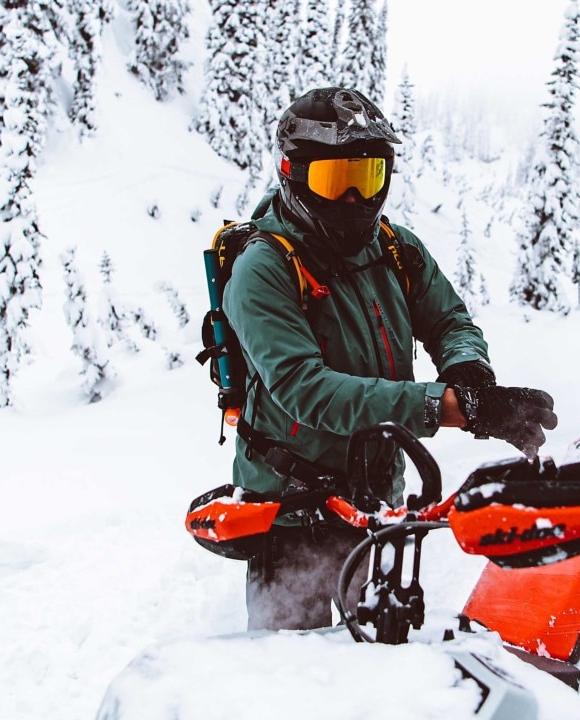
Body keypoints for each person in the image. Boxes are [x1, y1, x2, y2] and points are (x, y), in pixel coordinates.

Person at [221, 87, 558, 632]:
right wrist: (451, 407)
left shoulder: (396, 249)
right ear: (293, 173)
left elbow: (450, 320)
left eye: (369, 176)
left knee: (383, 661)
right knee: (287, 680)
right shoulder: (263, 269)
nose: (354, 198)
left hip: (377, 497)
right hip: (292, 509)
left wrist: (469, 375)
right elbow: (307, 390)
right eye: (336, 180)